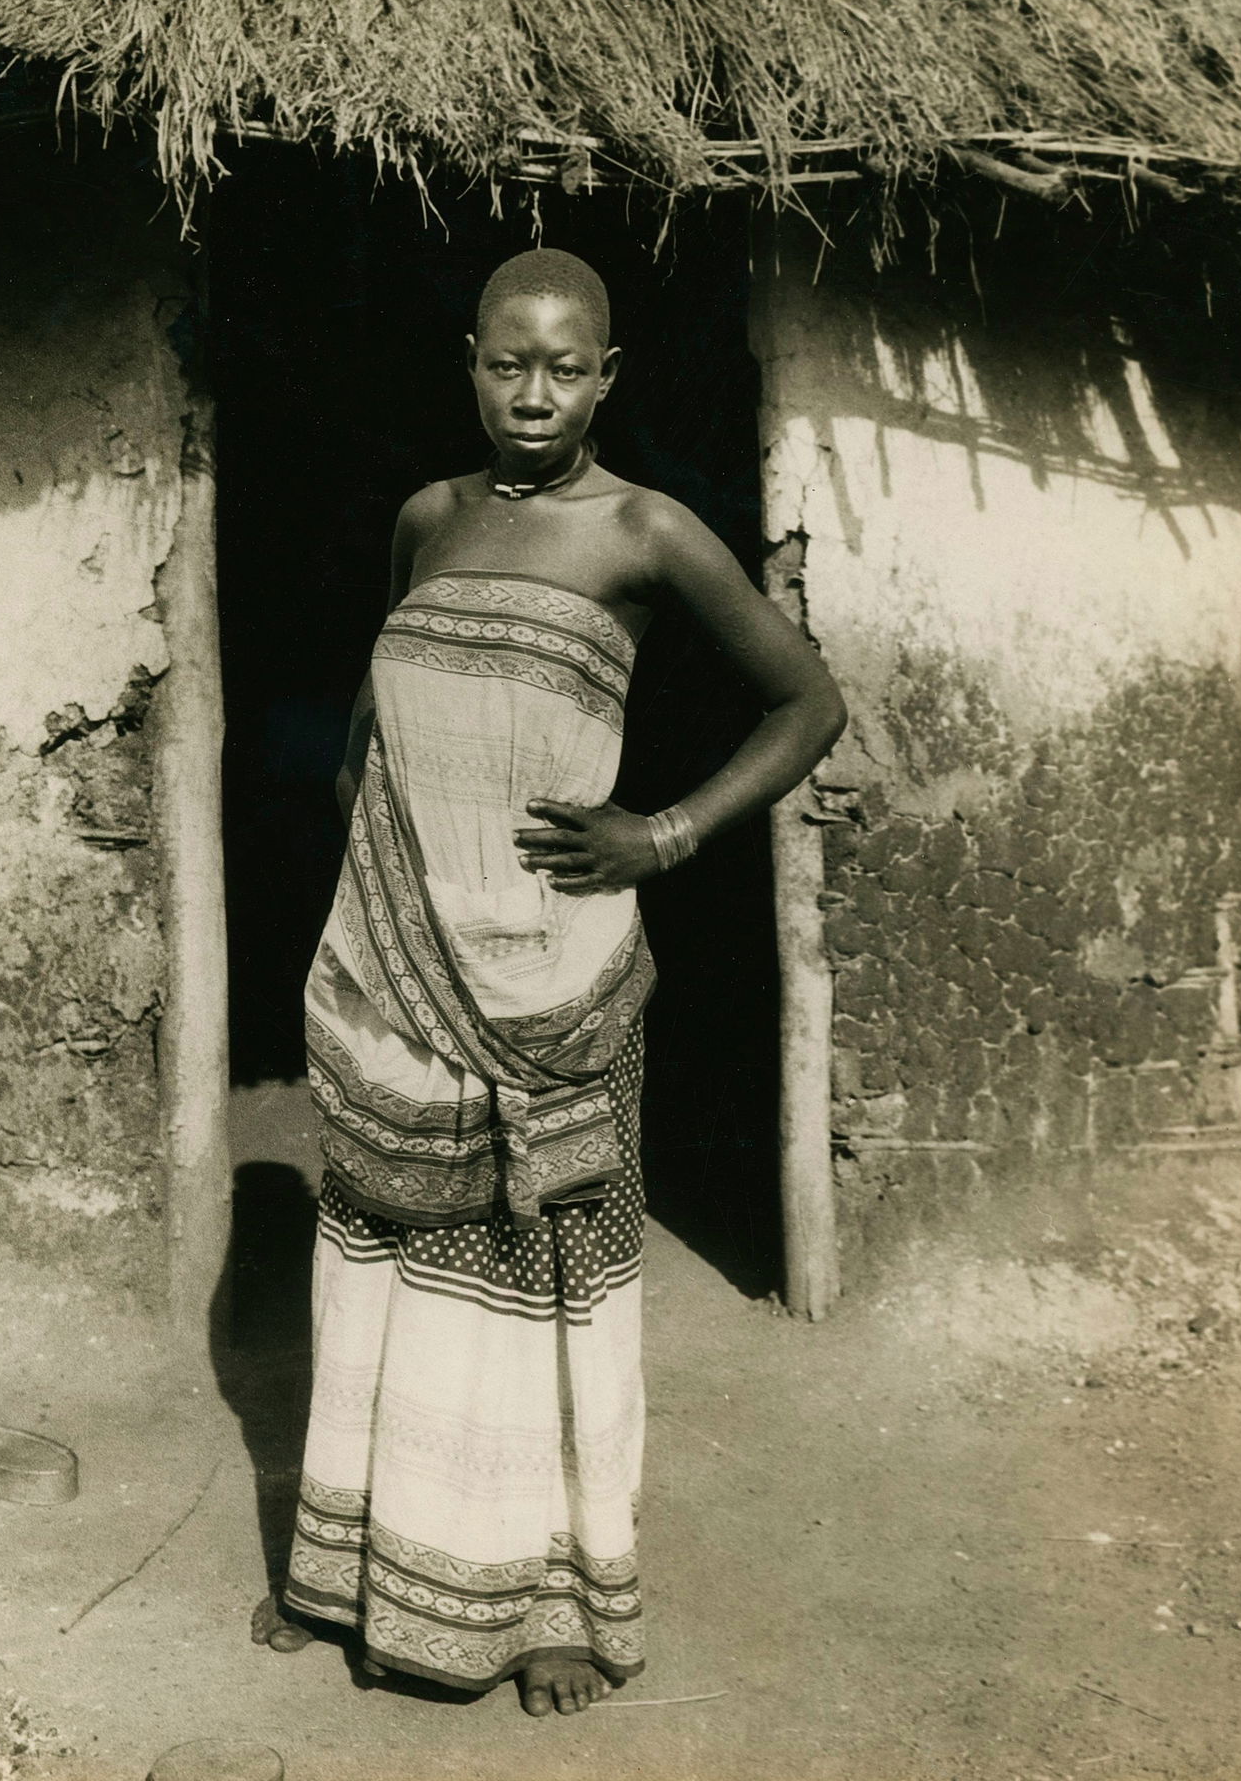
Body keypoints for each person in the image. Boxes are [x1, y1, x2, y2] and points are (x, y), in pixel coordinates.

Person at [252, 246, 846, 1716]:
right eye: (508, 363)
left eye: (565, 366)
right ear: (469, 362)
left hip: (550, 976)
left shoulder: (647, 534)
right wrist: (379, 878)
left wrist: (666, 833)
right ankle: (351, 1573)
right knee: (383, 1256)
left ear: (607, 376)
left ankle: (555, 1608)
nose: (534, 393)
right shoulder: (428, 519)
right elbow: (371, 728)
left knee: (549, 1277)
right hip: (399, 957)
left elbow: (810, 699)